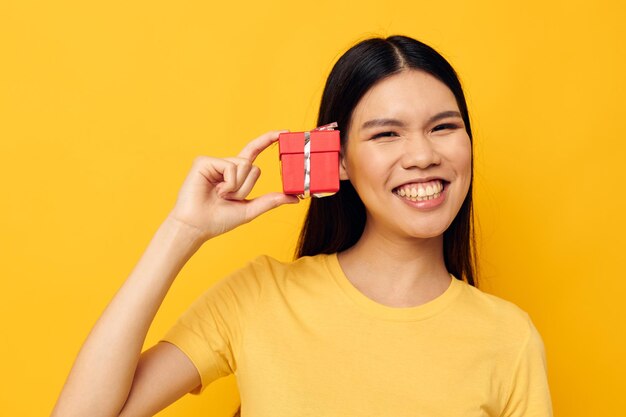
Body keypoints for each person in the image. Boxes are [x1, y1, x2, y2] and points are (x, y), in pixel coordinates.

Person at [51, 35, 553, 417]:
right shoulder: (261, 297)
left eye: (444, 127)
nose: (422, 155)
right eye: (386, 134)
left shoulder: (507, 338)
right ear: (335, 160)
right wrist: (183, 229)